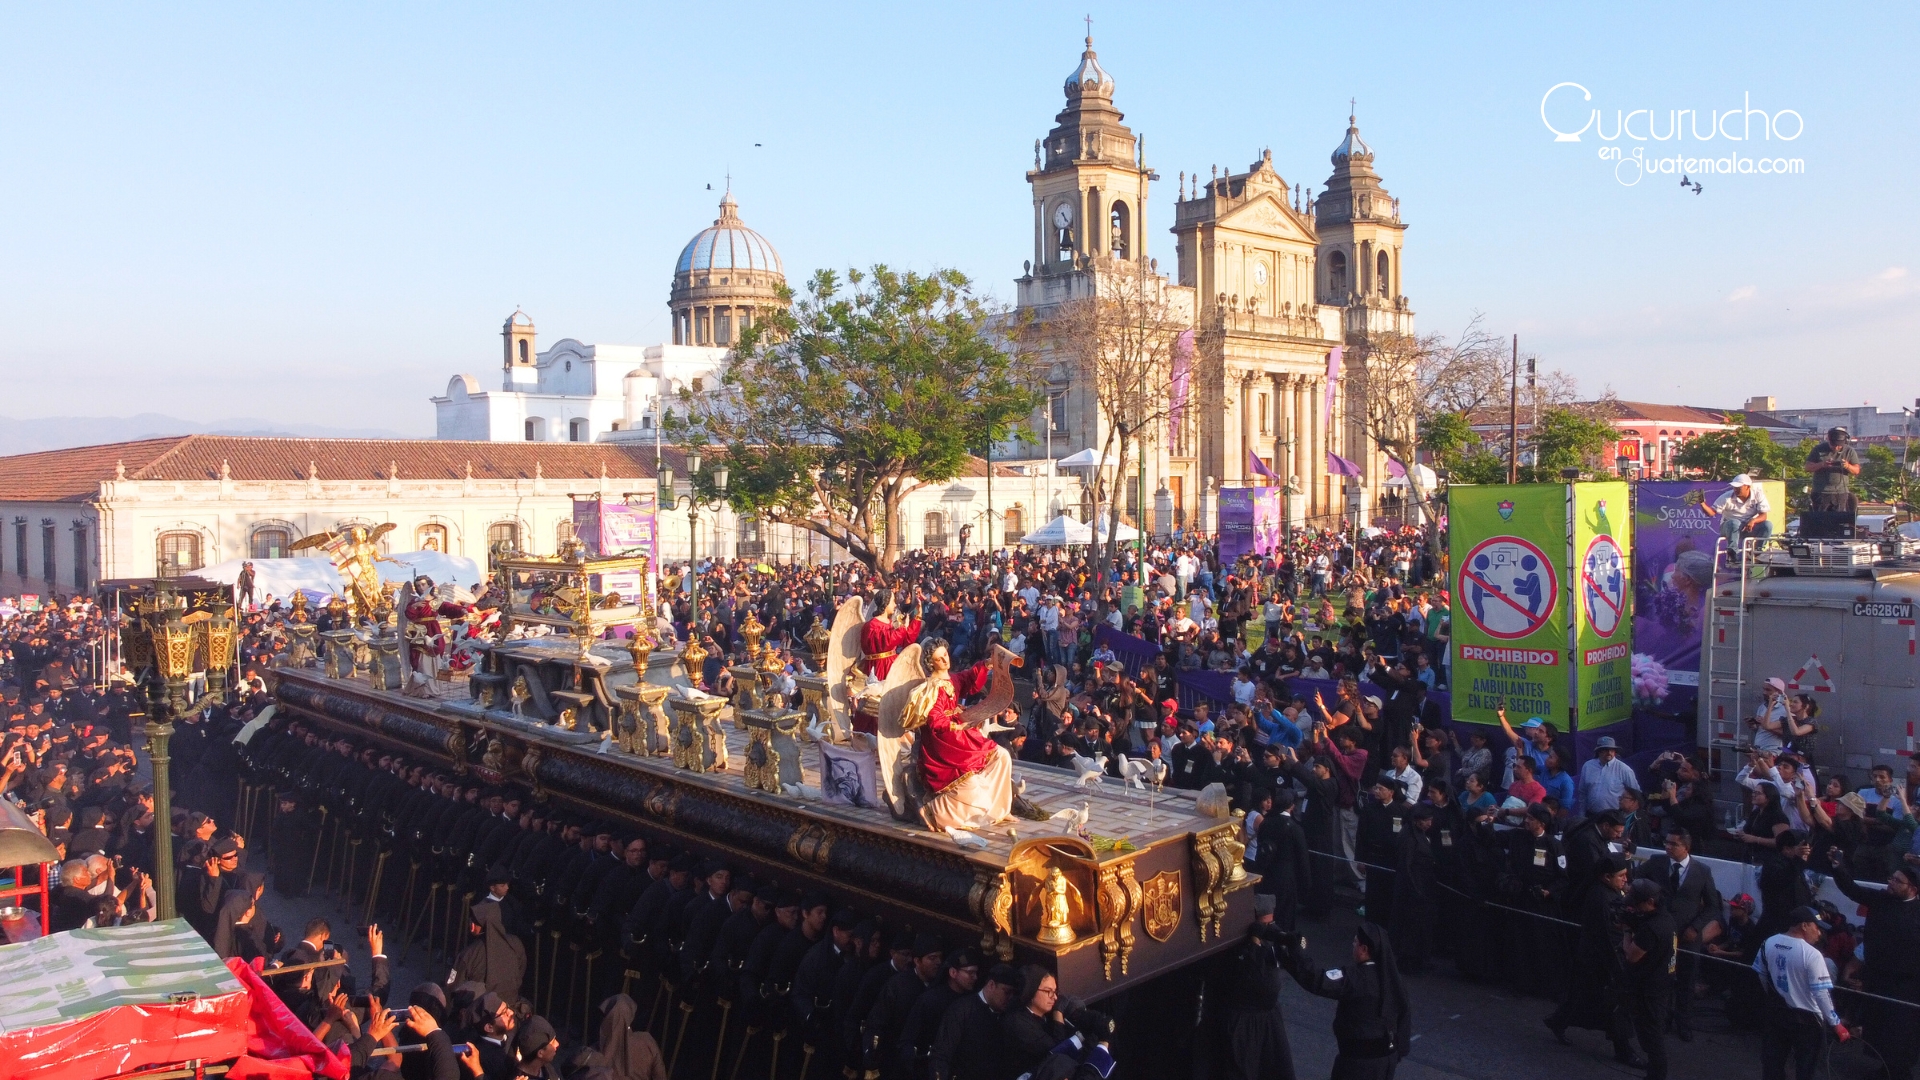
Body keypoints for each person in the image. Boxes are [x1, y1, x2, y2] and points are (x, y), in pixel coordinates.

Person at [1828, 851, 1920, 1080]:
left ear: (1913, 888)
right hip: (1877, 976)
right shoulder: (1881, 899)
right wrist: (1839, 867)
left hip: (1907, 983)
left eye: (1897, 881)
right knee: (1877, 1027)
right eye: (1891, 878)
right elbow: (1852, 890)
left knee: (1900, 1031)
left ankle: (1900, 1071)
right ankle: (1885, 1065)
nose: (1891, 882)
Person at [1279, 922, 1412, 1080]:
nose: (1353, 944)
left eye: (1355, 942)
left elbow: (1317, 980)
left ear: (1364, 949)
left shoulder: (1355, 977)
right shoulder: (1393, 979)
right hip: (1385, 1061)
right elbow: (1405, 1013)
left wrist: (1295, 953)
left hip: (1357, 1064)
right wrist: (1398, 1051)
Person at [1633, 830, 1720, 1041]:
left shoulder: (1702, 871)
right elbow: (1636, 879)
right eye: (1667, 842)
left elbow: (1712, 906)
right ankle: (1661, 1019)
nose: (1668, 847)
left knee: (1687, 980)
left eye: (1673, 844)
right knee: (1661, 978)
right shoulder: (1656, 863)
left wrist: (1696, 927)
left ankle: (1684, 1022)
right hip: (1661, 933)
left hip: (1688, 935)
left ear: (1686, 848)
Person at [1753, 906, 1848, 1080]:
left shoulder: (1768, 943)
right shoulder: (1812, 955)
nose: (1819, 933)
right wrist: (1836, 1024)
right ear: (1804, 925)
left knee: (1772, 1063)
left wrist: (1776, 997)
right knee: (1805, 1068)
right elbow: (1821, 994)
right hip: (1807, 1021)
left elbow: (1761, 975)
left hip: (1776, 1013)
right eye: (1816, 927)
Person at [1213, 893, 1298, 1080]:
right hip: (1244, 1020)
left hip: (1269, 1016)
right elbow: (1248, 971)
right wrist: (1254, 943)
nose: (1269, 929)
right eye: (1264, 924)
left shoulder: (1272, 939)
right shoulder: (1237, 945)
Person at [1619, 878, 1675, 1080]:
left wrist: (1627, 932)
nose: (1634, 906)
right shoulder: (1666, 919)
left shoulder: (1652, 929)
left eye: (1637, 902)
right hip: (1662, 985)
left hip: (1649, 990)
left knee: (1652, 1039)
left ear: (1650, 901)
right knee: (1652, 1036)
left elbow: (1631, 955)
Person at [1700, 473, 1772, 553]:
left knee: (1767, 525)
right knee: (1734, 523)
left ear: (1747, 487)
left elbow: (1763, 515)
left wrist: (1753, 521)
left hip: (1748, 527)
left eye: (1739, 487)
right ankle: (1733, 552)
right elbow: (1711, 513)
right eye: (1734, 487)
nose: (1735, 489)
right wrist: (1702, 504)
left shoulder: (1758, 495)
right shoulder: (1727, 497)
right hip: (1729, 528)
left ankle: (1758, 551)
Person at [1576, 736, 1638, 814]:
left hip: (1614, 817)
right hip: (1591, 815)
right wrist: (1582, 814)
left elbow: (1636, 794)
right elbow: (1583, 792)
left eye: (1612, 750)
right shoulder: (1588, 766)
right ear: (1599, 751)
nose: (1609, 752)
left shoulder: (1624, 769)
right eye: (1605, 750)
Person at [1805, 427, 1860, 515]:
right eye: (1833, 445)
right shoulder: (1818, 449)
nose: (1836, 447)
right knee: (1821, 520)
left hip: (1841, 492)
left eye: (1839, 445)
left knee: (1838, 521)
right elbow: (1807, 467)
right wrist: (1822, 464)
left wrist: (1847, 466)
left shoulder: (1849, 451)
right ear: (1828, 440)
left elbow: (1856, 470)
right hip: (1820, 492)